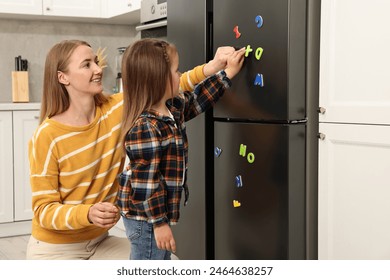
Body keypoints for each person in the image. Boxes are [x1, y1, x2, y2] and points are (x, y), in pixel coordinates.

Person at [27, 39, 236, 260]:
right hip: (55, 250)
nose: (99, 69)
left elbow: (164, 85)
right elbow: (43, 210)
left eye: (96, 62)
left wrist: (213, 67)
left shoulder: (117, 109)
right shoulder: (48, 136)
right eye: (87, 64)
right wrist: (86, 213)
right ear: (63, 77)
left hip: (99, 242)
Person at [117, 38, 245, 260]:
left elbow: (197, 99)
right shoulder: (145, 127)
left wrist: (227, 75)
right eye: (176, 71)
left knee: (159, 259)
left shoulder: (170, 107)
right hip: (145, 217)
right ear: (157, 79)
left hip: (153, 213)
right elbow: (146, 184)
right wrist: (159, 224)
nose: (181, 75)